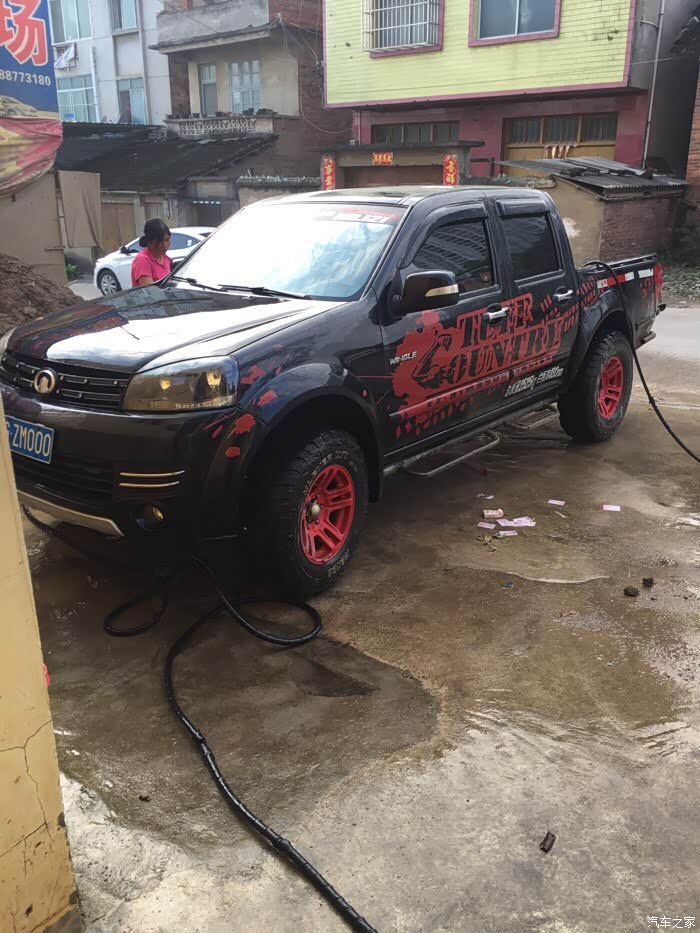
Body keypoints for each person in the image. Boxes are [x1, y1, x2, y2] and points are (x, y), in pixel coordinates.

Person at [131, 218, 172, 288]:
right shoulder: (142, 261)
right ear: (150, 242)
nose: (165, 245)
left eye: (167, 240)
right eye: (160, 241)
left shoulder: (166, 258)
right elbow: (150, 292)